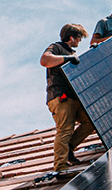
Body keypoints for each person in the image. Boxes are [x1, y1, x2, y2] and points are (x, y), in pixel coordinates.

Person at [40, 24, 94, 173]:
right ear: (72, 37)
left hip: (74, 98)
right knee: (65, 130)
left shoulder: (71, 53)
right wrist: (67, 58)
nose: (79, 42)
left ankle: (68, 149)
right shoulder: (56, 48)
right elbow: (45, 60)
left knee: (91, 121)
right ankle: (61, 167)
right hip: (60, 96)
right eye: (79, 39)